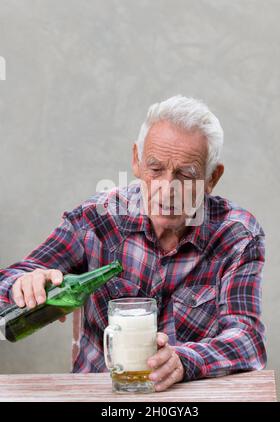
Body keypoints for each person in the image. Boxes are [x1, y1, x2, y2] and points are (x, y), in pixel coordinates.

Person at [0, 95, 266, 392]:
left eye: (186, 175)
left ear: (211, 178)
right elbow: (9, 282)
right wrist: (23, 284)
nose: (167, 191)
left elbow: (248, 340)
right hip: (99, 397)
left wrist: (184, 361)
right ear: (136, 161)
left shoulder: (237, 235)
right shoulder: (96, 219)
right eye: (155, 169)